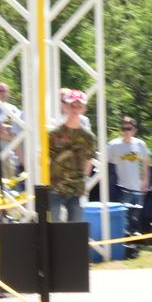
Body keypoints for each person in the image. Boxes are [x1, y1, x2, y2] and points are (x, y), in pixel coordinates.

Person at [47, 89, 95, 221]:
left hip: (76, 190)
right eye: (71, 105)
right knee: (52, 228)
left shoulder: (88, 137)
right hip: (55, 188)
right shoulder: (53, 134)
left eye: (79, 106)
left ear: (84, 108)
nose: (75, 109)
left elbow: (89, 161)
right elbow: (46, 159)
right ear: (64, 107)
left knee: (75, 231)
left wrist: (82, 179)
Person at [107, 116, 151, 206]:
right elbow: (104, 162)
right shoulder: (113, 145)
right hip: (122, 189)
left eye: (129, 128)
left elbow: (146, 162)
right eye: (124, 128)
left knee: (136, 218)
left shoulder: (140, 144)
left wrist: (145, 180)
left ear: (134, 130)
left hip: (137, 189)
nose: (126, 131)